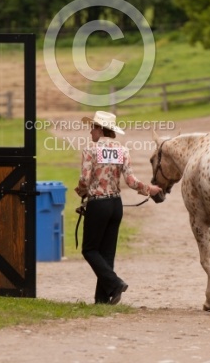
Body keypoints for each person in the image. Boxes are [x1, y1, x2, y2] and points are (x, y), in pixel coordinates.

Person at [74, 111, 162, 305]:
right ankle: (102, 300)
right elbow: (130, 181)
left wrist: (81, 192)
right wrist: (149, 189)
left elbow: (84, 179)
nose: (90, 132)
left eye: (92, 127)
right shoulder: (122, 150)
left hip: (98, 204)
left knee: (89, 250)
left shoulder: (91, 149)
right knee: (106, 254)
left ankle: (115, 284)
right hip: (116, 205)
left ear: (99, 129)